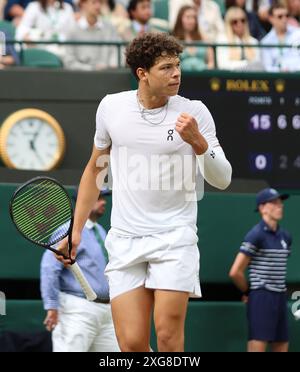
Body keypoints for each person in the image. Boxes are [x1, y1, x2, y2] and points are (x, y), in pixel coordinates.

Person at [56, 32, 232, 352]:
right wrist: (76, 230)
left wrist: (197, 142)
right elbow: (95, 171)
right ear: (143, 74)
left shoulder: (195, 112)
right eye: (166, 67)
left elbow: (223, 179)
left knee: (166, 336)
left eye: (177, 65)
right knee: (133, 344)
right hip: (126, 240)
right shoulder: (111, 107)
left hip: (174, 238)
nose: (176, 73)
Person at [41, 191, 120, 352]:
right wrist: (51, 306)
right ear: (83, 202)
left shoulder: (101, 230)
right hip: (77, 310)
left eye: (103, 198)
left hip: (107, 312)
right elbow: (49, 269)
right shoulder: (66, 231)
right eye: (98, 198)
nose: (103, 202)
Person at [229, 188, 292, 352]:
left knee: (282, 345)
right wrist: (249, 291)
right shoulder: (255, 235)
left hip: (280, 298)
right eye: (275, 202)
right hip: (261, 298)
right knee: (257, 346)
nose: (280, 206)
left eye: (280, 202)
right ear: (263, 208)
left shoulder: (286, 237)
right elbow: (235, 272)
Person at [63, 0, 120, 71]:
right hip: (81, 77)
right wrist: (91, 69)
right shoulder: (72, 30)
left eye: (100, 2)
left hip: (108, 76)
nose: (98, 6)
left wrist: (110, 67)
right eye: (94, 2)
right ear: (83, 4)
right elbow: (69, 61)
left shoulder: (110, 28)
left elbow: (116, 53)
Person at [172, 5, 214, 71]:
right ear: (180, 19)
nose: (192, 21)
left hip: (203, 76)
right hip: (183, 77)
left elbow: (211, 63)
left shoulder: (203, 38)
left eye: (194, 18)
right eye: (188, 17)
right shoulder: (173, 40)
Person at [261, 3, 300, 72]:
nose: (284, 19)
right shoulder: (266, 41)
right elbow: (268, 67)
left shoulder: (298, 33)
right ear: (271, 18)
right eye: (280, 16)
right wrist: (281, 71)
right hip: (278, 79)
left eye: (287, 16)